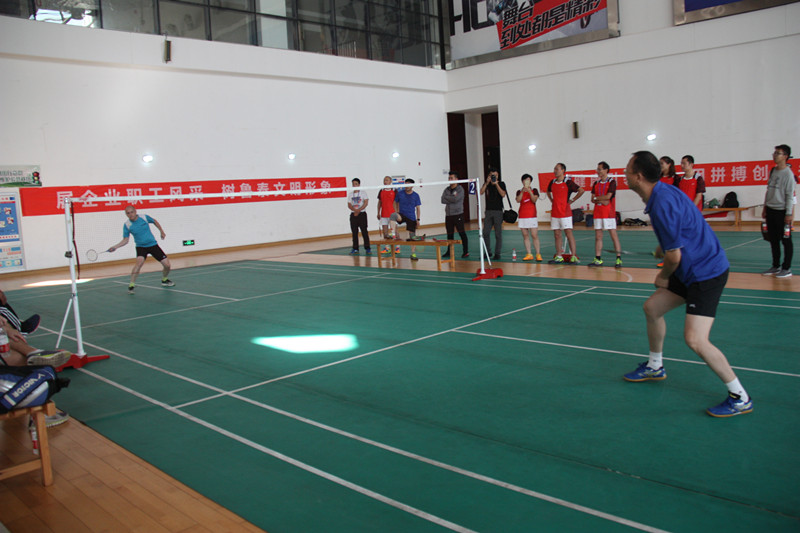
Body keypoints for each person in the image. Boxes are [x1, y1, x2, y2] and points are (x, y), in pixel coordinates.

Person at [622, 150, 752, 417]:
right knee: (652, 309)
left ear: (638, 176)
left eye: (627, 169)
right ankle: (655, 366)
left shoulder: (661, 202)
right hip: (690, 268)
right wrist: (663, 247)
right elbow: (680, 231)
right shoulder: (662, 193)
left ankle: (740, 397)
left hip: (706, 272)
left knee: (695, 339)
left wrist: (663, 276)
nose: (624, 173)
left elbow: (674, 257)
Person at [108, 205, 175, 294]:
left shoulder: (144, 217)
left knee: (167, 265)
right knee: (139, 263)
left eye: (132, 212)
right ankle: (131, 285)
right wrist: (115, 247)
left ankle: (164, 280)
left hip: (153, 245)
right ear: (126, 214)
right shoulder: (127, 225)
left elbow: (154, 221)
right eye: (128, 213)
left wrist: (161, 231)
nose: (130, 214)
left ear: (135, 211)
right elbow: (126, 240)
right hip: (141, 247)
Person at [761, 144, 794, 278]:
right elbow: (769, 190)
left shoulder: (788, 174)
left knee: (786, 240)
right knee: (773, 240)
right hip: (770, 209)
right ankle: (775, 266)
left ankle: (786, 268)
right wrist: (765, 207)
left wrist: (789, 213)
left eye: (778, 153)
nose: (775, 155)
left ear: (785, 156)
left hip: (782, 211)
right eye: (774, 153)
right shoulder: (773, 171)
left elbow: (789, 195)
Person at [546, 163, 584, 264]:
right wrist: (551, 200)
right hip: (555, 212)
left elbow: (581, 190)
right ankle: (559, 256)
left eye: (557, 169)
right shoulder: (552, 182)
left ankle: (573, 256)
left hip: (565, 213)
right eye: (554, 169)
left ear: (563, 170)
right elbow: (548, 191)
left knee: (568, 233)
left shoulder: (568, 182)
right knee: (557, 234)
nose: (555, 171)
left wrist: (572, 200)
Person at [588, 162, 622, 268]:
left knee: (613, 235)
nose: (598, 171)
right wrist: (600, 199)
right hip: (598, 212)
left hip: (609, 213)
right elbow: (592, 199)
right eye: (597, 169)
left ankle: (618, 258)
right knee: (598, 236)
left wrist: (598, 198)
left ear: (606, 170)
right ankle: (598, 259)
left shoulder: (612, 182)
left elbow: (608, 197)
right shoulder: (596, 183)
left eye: (600, 169)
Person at [390, 179, 422, 261]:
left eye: (408, 184)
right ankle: (393, 234)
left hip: (411, 217)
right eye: (405, 184)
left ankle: (413, 253)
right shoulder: (400, 194)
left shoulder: (416, 195)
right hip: (402, 215)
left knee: (412, 237)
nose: (406, 186)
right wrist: (396, 211)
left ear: (412, 186)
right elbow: (395, 202)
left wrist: (418, 219)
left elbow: (418, 208)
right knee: (393, 215)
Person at [441, 171, 469, 258]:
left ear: (456, 179)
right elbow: (442, 200)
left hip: (458, 214)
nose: (450, 180)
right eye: (449, 178)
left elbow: (456, 199)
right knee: (449, 234)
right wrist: (451, 198)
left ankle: (465, 251)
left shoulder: (460, 189)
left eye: (451, 178)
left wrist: (449, 198)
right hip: (448, 215)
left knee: (461, 233)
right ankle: (449, 251)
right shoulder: (447, 189)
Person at [480, 168, 507, 260]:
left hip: (498, 211)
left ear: (498, 176)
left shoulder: (501, 184)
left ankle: (497, 253)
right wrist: (486, 183)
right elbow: (481, 192)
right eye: (492, 175)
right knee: (485, 232)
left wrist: (496, 184)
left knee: (498, 234)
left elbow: (503, 194)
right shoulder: (487, 184)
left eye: (495, 175)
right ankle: (487, 251)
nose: (494, 177)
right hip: (488, 211)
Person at [515, 173, 541, 261]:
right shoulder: (519, 191)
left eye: (528, 180)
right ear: (522, 181)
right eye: (525, 180)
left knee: (534, 235)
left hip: (532, 216)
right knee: (525, 235)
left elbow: (534, 200)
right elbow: (518, 200)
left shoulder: (534, 190)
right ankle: (529, 254)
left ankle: (538, 254)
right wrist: (523, 192)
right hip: (522, 216)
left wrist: (529, 191)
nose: (526, 181)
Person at [347, 178, 371, 256]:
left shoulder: (363, 193)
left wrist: (359, 210)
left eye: (356, 184)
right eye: (353, 184)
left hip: (362, 214)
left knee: (364, 231)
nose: (354, 185)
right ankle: (355, 248)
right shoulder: (350, 194)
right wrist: (355, 210)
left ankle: (367, 248)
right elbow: (349, 204)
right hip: (353, 214)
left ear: (359, 185)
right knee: (354, 232)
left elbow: (366, 202)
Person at [377, 176, 396, 254]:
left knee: (394, 232)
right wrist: (378, 212)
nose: (385, 181)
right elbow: (379, 203)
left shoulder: (394, 190)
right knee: (385, 232)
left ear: (390, 181)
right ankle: (387, 248)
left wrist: (397, 213)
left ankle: (397, 247)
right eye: (384, 180)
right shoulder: (381, 190)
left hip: (392, 214)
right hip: (383, 214)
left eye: (387, 180)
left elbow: (396, 202)